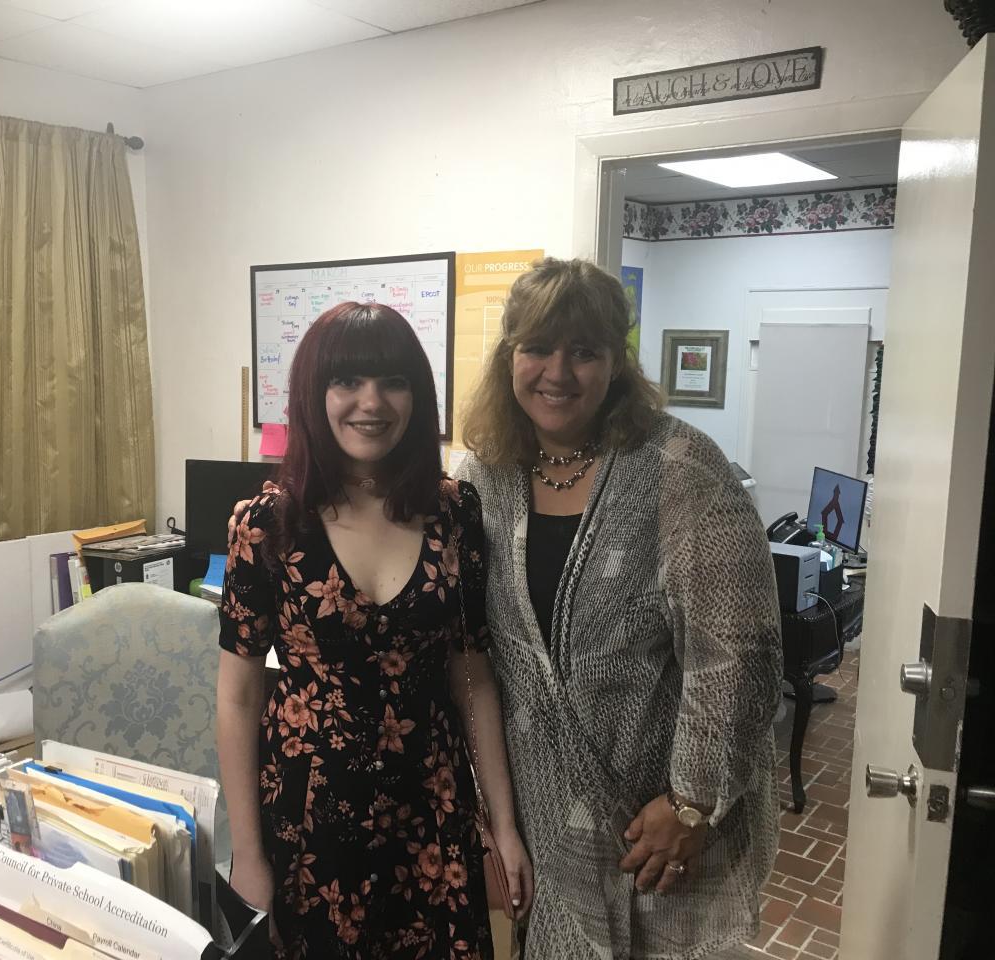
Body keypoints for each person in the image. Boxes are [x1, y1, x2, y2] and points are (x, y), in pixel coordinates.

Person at [455, 258, 781, 959]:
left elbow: (739, 655)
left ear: (616, 363)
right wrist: (494, 818)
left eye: (584, 351)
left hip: (665, 838)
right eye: (537, 347)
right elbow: (477, 658)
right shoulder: (483, 479)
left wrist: (693, 804)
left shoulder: (681, 469)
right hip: (546, 829)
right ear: (509, 357)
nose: (558, 372)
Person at [217, 301, 533, 960]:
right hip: (309, 819)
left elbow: (473, 678)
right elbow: (238, 697)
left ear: (418, 397)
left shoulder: (454, 512)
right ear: (314, 394)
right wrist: (247, 855)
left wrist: (503, 825)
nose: (372, 402)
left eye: (393, 381)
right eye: (347, 381)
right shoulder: (267, 524)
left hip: (433, 810)